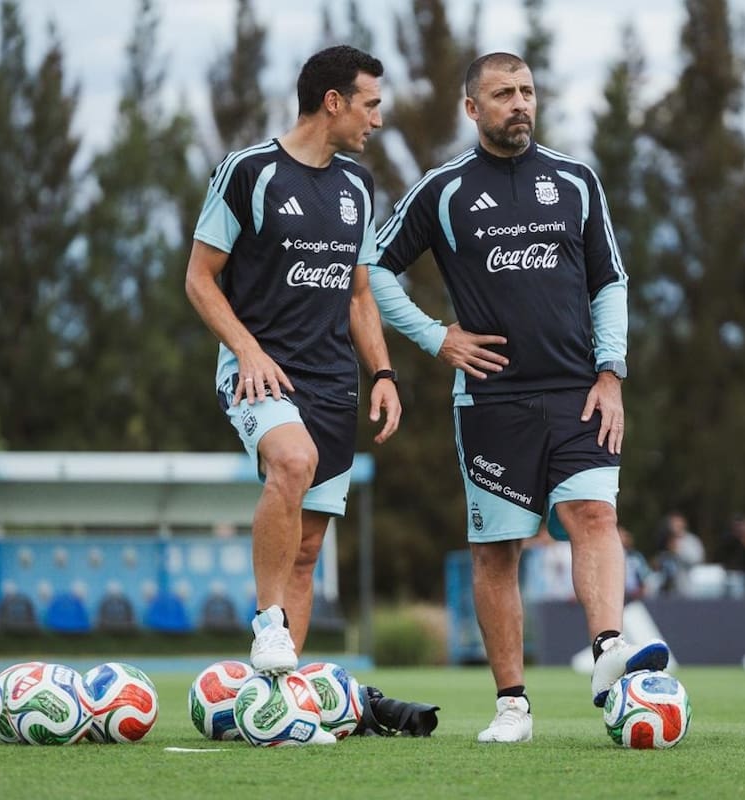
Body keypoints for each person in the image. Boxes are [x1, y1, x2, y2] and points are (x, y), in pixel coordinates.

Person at [368, 52, 668, 743]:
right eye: (503, 93)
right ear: (472, 109)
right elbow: (374, 268)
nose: (519, 103)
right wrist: (434, 336)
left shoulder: (575, 180)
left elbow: (609, 282)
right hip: (491, 403)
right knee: (497, 551)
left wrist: (611, 372)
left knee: (594, 513)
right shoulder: (443, 189)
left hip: (577, 390)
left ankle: (606, 653)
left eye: (527, 91)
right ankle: (513, 707)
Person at [184, 46, 400, 684]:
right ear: (333, 102)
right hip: (260, 373)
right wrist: (247, 348)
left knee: (307, 552)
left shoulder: (357, 186)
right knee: (292, 459)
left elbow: (358, 293)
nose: (377, 121)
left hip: (335, 383)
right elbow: (199, 279)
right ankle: (268, 622)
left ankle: (275, 698)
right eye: (371, 105)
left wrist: (384, 374)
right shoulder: (247, 171)